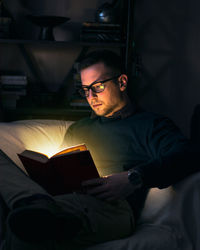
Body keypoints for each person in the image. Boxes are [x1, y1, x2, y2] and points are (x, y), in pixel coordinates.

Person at [0, 49, 199, 250]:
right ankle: (39, 207)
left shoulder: (151, 125)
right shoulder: (80, 128)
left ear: (121, 82)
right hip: (59, 199)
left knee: (24, 222)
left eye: (98, 87)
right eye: (85, 90)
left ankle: (38, 212)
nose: (91, 96)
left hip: (111, 207)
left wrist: (133, 177)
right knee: (28, 214)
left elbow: (188, 156)